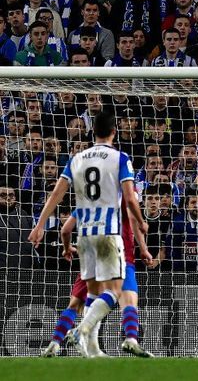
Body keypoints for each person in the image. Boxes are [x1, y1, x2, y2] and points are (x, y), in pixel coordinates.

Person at [27, 110, 148, 358]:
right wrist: (141, 220)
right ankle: (82, 330)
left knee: (92, 293)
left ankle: (92, 351)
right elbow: (128, 197)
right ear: (115, 132)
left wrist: (39, 225)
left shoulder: (77, 159)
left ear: (93, 132)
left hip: (84, 235)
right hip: (108, 232)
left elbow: (56, 195)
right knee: (114, 292)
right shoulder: (120, 158)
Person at [42, 206, 153, 358]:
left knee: (78, 303)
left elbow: (65, 230)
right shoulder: (122, 194)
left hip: (90, 253)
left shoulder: (88, 202)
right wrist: (143, 246)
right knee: (126, 298)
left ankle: (56, 344)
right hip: (119, 253)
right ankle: (127, 338)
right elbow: (133, 216)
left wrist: (66, 247)